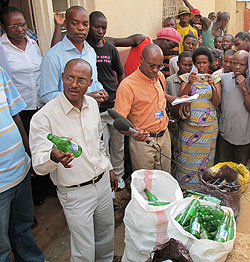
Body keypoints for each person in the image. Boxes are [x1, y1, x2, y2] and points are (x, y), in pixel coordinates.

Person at [30, 59, 116, 262]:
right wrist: (53, 157)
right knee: (84, 251)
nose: (74, 84)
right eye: (69, 78)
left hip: (102, 184)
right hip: (75, 193)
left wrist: (109, 169)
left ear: (90, 83)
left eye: (81, 80)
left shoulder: (93, 105)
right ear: (62, 78)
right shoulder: (44, 117)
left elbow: (99, 143)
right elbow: (39, 166)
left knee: (105, 240)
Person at [0, 67, 44, 262]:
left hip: (19, 169)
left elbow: (16, 114)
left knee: (22, 227)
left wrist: (30, 154)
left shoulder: (0, 73)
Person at [115, 44, 176, 172]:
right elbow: (119, 122)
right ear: (141, 59)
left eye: (159, 66)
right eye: (151, 65)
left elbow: (161, 97)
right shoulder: (127, 86)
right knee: (146, 183)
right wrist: (134, 134)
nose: (155, 70)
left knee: (164, 179)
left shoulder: (160, 77)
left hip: (164, 137)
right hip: (143, 142)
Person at [86, 11, 126, 190]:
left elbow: (120, 72)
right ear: (89, 26)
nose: (100, 31)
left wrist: (122, 91)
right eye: (96, 26)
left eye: (103, 28)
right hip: (96, 108)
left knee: (118, 146)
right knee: (102, 146)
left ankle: (119, 176)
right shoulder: (85, 49)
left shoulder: (110, 49)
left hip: (114, 105)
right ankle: (106, 179)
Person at [39, 6, 107, 105]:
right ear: (65, 24)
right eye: (75, 23)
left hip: (89, 111)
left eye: (85, 24)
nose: (81, 28)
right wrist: (82, 98)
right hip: (65, 116)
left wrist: (101, 90)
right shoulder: (53, 56)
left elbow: (94, 82)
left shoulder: (90, 52)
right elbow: (47, 95)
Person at [177, 47, 221, 189]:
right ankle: (186, 189)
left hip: (208, 129)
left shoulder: (215, 79)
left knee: (205, 159)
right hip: (189, 126)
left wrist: (212, 85)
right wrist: (190, 82)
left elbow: (217, 102)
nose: (201, 66)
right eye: (199, 63)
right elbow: (181, 98)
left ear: (209, 63)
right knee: (187, 158)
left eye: (204, 63)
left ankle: (203, 187)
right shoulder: (186, 78)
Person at [106, 27, 181, 76]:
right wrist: (98, 42)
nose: (171, 50)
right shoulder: (141, 40)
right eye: (171, 46)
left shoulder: (159, 54)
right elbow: (115, 41)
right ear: (165, 40)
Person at [218, 50, 250, 165]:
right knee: (223, 168)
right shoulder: (224, 79)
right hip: (225, 134)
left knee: (239, 171)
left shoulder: (248, 82)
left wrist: (244, 89)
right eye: (234, 63)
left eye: (242, 64)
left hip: (243, 137)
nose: (237, 67)